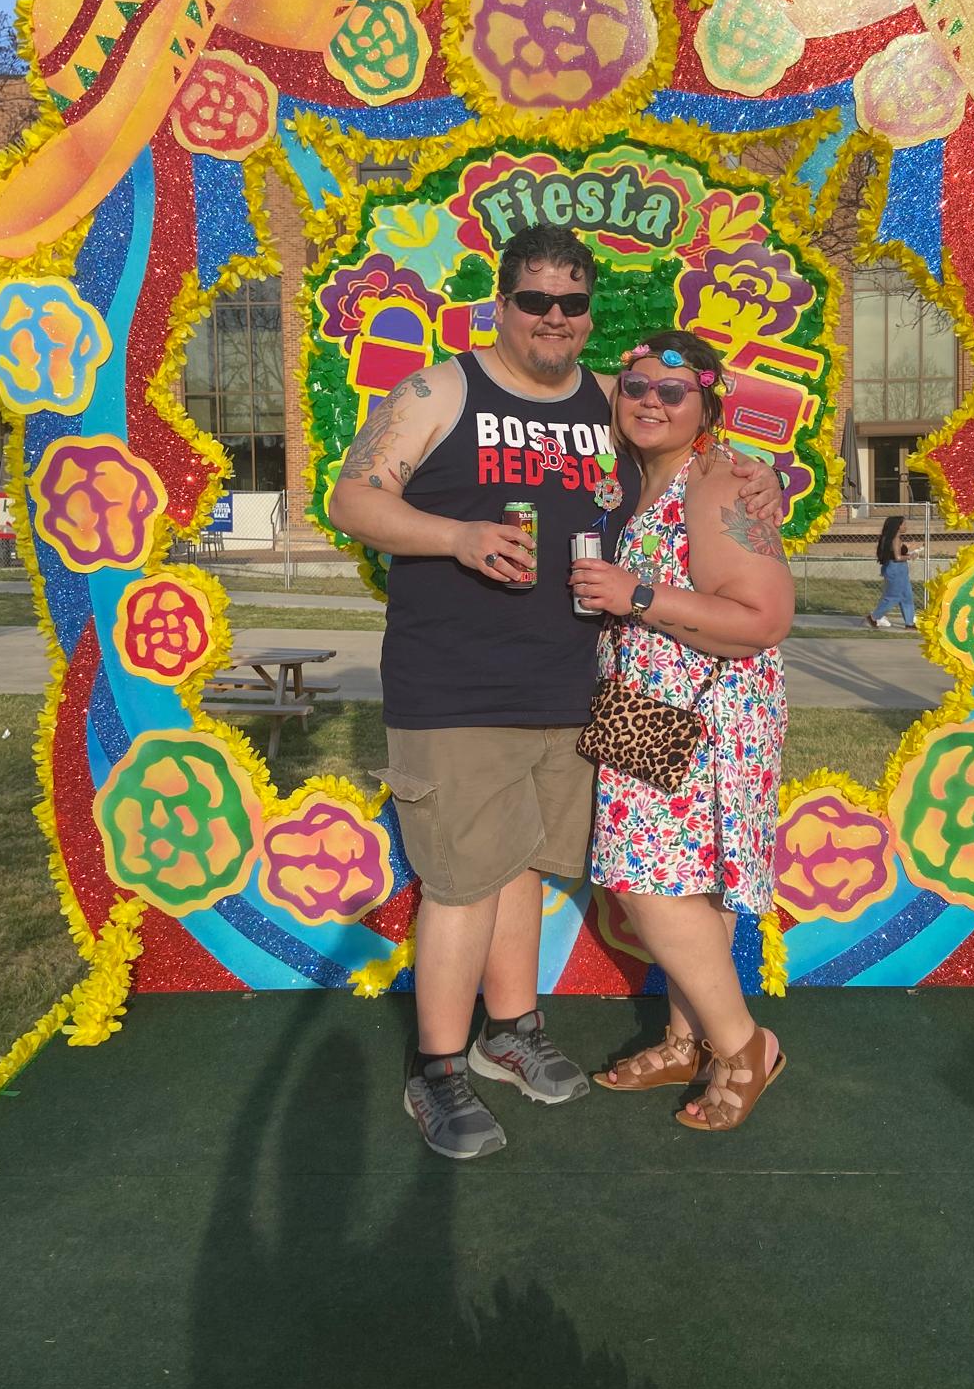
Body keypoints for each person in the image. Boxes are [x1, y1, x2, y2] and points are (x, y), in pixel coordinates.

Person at [326, 224, 783, 1160]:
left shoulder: (612, 401)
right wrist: (456, 537)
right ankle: (439, 1071)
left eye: (571, 304)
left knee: (529, 869)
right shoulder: (442, 388)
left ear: (587, 315)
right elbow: (352, 499)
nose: (553, 318)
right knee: (460, 885)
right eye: (533, 300)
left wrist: (755, 473)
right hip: (455, 685)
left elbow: (698, 429)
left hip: (579, 694)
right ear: (503, 304)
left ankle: (514, 1030)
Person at [570, 330, 793, 1133]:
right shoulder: (656, 473)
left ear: (708, 403)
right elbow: (571, 372)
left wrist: (636, 596)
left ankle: (744, 1046)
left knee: (645, 883)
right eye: (636, 388)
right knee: (691, 887)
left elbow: (764, 616)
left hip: (699, 713)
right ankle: (684, 1038)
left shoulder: (715, 481)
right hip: (654, 707)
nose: (650, 401)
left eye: (675, 392)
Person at [866, 515, 919, 630]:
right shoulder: (895, 539)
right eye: (904, 524)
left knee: (907, 596)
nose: (906, 526)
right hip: (896, 569)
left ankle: (909, 623)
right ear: (897, 526)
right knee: (893, 596)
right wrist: (910, 556)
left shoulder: (892, 538)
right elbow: (898, 557)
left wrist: (908, 547)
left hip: (900, 570)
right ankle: (874, 617)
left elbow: (896, 551)